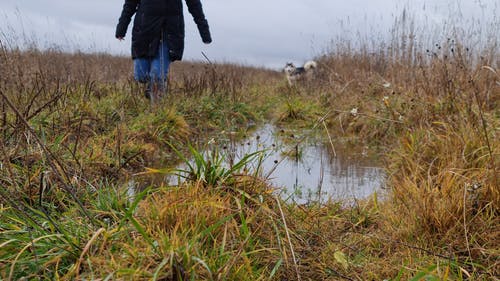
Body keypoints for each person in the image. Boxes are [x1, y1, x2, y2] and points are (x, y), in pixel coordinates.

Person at [116, 0, 212, 103]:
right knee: (141, 76)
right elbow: (129, 5)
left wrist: (204, 31)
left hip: (168, 33)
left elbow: (194, 5)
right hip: (144, 32)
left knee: (158, 75)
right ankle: (153, 88)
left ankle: (157, 111)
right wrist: (121, 28)